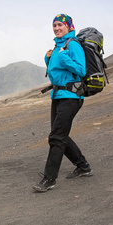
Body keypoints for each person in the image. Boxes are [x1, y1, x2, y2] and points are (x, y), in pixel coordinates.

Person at [33, 13, 93, 193]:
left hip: (71, 97)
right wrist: (48, 58)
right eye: (55, 25)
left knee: (57, 137)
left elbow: (81, 69)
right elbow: (55, 71)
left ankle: (49, 179)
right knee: (60, 135)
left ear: (69, 27)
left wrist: (64, 57)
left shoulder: (72, 44)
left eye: (60, 25)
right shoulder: (58, 46)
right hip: (58, 96)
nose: (57, 28)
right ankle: (83, 167)